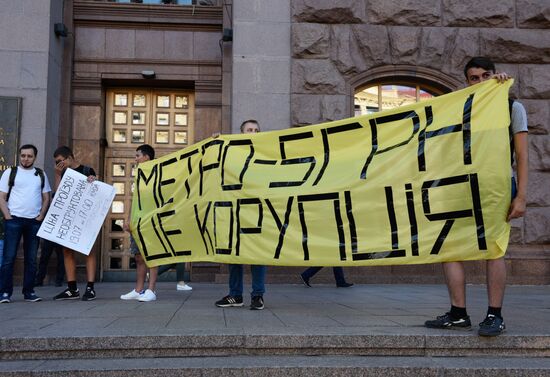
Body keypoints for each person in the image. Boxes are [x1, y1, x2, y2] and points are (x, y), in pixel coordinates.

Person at [425, 57, 528, 337]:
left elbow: (521, 155)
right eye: (474, 77)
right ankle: (458, 314)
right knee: (450, 248)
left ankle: (495, 315)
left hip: (495, 187)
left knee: (493, 248)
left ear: (496, 76)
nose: (481, 81)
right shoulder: (459, 107)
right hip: (459, 185)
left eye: (487, 76)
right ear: (467, 81)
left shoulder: (511, 107)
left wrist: (521, 196)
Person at [215, 120, 266, 310]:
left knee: (258, 256)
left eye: (256, 130)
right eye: (249, 130)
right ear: (241, 132)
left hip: (257, 211)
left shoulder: (266, 152)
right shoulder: (231, 153)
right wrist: (215, 144)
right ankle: (235, 296)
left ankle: (258, 296)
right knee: (234, 254)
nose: (253, 132)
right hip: (234, 210)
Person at [0, 144, 51, 303]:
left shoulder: (40, 174)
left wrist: (41, 215)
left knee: (31, 259)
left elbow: (46, 197)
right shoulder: (11, 172)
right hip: (13, 220)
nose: (26, 159)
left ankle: (29, 292)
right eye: (23, 155)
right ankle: (5, 293)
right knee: (9, 258)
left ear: (35, 157)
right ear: (19, 156)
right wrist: (7, 215)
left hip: (33, 222)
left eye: (29, 156)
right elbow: (1, 196)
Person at [52, 146, 98, 301]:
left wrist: (93, 181)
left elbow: (96, 192)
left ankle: (90, 287)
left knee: (88, 250)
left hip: (85, 217)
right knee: (67, 251)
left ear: (69, 157)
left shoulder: (86, 170)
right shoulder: (62, 172)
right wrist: (57, 175)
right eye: (56, 162)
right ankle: (72, 288)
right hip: (68, 217)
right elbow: (58, 196)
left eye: (60, 161)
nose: (59, 164)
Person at [120, 144, 159, 302]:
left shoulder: (157, 173)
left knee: (153, 256)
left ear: (146, 157)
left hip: (151, 221)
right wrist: (129, 219)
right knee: (138, 256)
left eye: (137, 156)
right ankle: (138, 289)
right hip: (137, 222)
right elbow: (136, 201)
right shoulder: (139, 176)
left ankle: (151, 290)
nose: (135, 159)